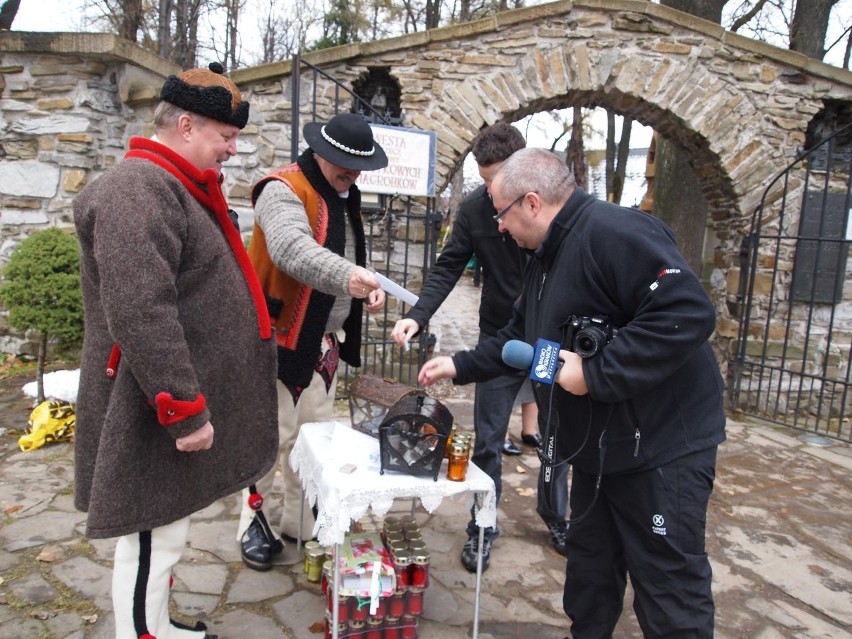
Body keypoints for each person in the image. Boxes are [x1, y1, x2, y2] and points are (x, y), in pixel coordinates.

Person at [417, 147, 726, 638]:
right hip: (598, 451)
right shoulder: (544, 258)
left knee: (668, 588)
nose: (498, 227)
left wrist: (596, 372)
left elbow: (687, 313)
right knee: (590, 575)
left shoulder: (615, 232)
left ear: (532, 203)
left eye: (501, 213)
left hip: (661, 452)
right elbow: (519, 339)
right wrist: (458, 365)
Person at [73, 63, 278, 639]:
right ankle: (143, 635)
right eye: (225, 137)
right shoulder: (137, 189)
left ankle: (156, 625)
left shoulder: (170, 185)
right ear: (186, 125)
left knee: (164, 529)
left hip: (158, 396)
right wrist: (182, 408)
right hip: (145, 401)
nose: (232, 151)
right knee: (149, 533)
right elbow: (142, 311)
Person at [390, 122, 569, 573]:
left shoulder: (555, 206)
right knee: (488, 441)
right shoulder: (473, 211)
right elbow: (448, 266)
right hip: (500, 341)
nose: (492, 191)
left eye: (498, 180)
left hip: (552, 343)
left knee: (555, 439)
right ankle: (483, 524)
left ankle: (557, 516)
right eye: (485, 180)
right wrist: (418, 314)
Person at [237, 112, 387, 570]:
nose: (352, 173)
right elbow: (290, 248)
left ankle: (300, 522)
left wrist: (366, 283)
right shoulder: (281, 189)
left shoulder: (344, 194)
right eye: (344, 163)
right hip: (278, 340)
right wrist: (350, 275)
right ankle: (252, 524)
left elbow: (343, 257)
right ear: (319, 152)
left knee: (315, 440)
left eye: (358, 166)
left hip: (324, 343)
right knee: (269, 439)